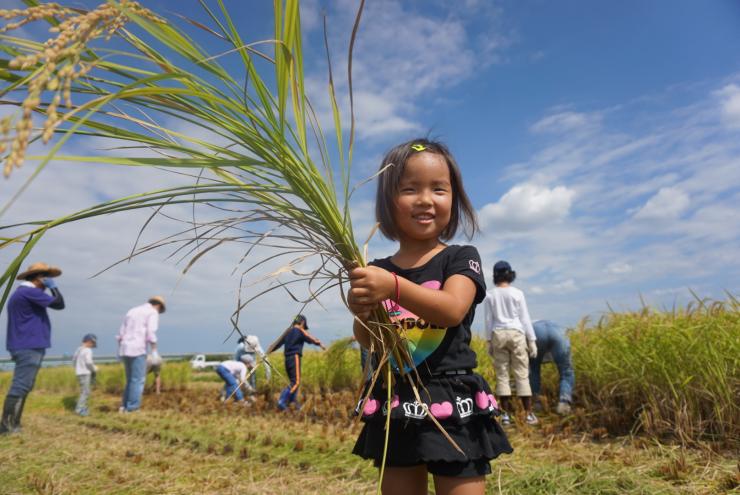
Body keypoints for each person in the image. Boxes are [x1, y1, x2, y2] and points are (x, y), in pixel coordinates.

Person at [348, 139, 512, 495]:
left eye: (439, 189)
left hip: (452, 398)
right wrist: (361, 309)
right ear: (388, 203)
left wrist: (391, 287)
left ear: (454, 200)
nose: (425, 199)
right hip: (398, 400)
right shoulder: (377, 270)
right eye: (410, 189)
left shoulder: (459, 257)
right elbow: (370, 341)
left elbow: (452, 309)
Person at [1, 262, 65, 434]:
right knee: (21, 385)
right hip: (29, 346)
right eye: (48, 278)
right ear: (39, 278)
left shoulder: (22, 293)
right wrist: (54, 288)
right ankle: (7, 427)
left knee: (24, 385)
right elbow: (59, 304)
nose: (49, 281)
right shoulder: (29, 292)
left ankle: (13, 425)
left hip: (25, 345)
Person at [483, 260, 538, 426]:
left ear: (495, 276)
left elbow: (488, 320)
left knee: (502, 375)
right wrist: (532, 340)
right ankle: (528, 414)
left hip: (498, 334)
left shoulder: (490, 295)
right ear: (510, 274)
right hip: (516, 333)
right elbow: (525, 318)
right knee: (521, 373)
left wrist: (488, 341)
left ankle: (506, 415)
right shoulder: (517, 293)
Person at [116, 296, 165, 412]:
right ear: (158, 306)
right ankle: (132, 408)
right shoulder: (152, 312)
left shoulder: (132, 311)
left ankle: (124, 406)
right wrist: (154, 351)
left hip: (124, 348)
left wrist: (119, 350)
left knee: (130, 380)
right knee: (138, 380)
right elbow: (151, 332)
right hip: (137, 349)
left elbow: (120, 333)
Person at [268, 314, 325, 411]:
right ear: (302, 322)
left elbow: (278, 343)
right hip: (295, 357)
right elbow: (310, 338)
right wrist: (320, 343)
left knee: (292, 381)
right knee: (296, 382)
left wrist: (269, 351)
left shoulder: (287, 331)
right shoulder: (299, 330)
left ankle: (292, 402)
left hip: (287, 358)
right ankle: (282, 401)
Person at [529, 320, 575, 415]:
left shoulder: (531, 324)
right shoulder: (557, 325)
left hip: (536, 332)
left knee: (534, 369)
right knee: (566, 371)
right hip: (559, 332)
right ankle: (564, 403)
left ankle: (537, 403)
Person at [72, 333, 98, 416]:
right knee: (85, 392)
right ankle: (79, 409)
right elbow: (89, 362)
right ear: (89, 341)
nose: (93, 345)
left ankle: (83, 407)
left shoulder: (78, 350)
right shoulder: (88, 350)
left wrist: (77, 368)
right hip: (85, 373)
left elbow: (73, 361)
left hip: (79, 373)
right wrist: (94, 369)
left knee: (84, 390)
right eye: (93, 343)